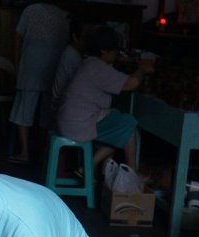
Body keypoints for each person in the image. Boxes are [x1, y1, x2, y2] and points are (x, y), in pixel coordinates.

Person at [55, 24, 153, 176]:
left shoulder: (89, 64)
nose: (116, 54)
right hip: (77, 125)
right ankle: (133, 174)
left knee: (119, 124)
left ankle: (87, 167)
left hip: (69, 121)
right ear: (104, 51)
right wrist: (142, 69)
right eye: (115, 51)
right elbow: (132, 83)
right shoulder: (98, 69)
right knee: (128, 125)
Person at [8, 0, 70, 165]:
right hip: (53, 69)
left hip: (30, 66)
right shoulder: (64, 16)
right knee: (48, 113)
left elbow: (17, 36)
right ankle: (45, 152)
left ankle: (24, 152)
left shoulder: (30, 10)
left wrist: (16, 63)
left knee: (24, 112)